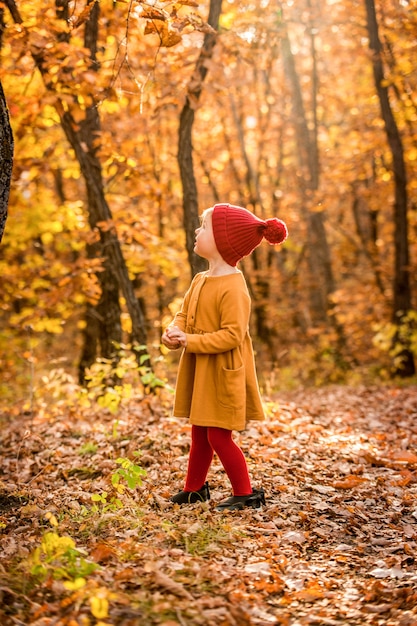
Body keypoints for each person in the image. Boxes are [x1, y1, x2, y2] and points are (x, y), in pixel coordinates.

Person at [161, 203, 288, 511]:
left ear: (221, 239)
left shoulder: (234, 287)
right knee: (199, 432)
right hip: (202, 368)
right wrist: (174, 331)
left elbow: (232, 335)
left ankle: (246, 493)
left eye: (203, 226)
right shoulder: (200, 279)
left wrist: (190, 340)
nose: (196, 230)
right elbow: (183, 312)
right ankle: (194, 489)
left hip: (223, 370)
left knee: (218, 436)